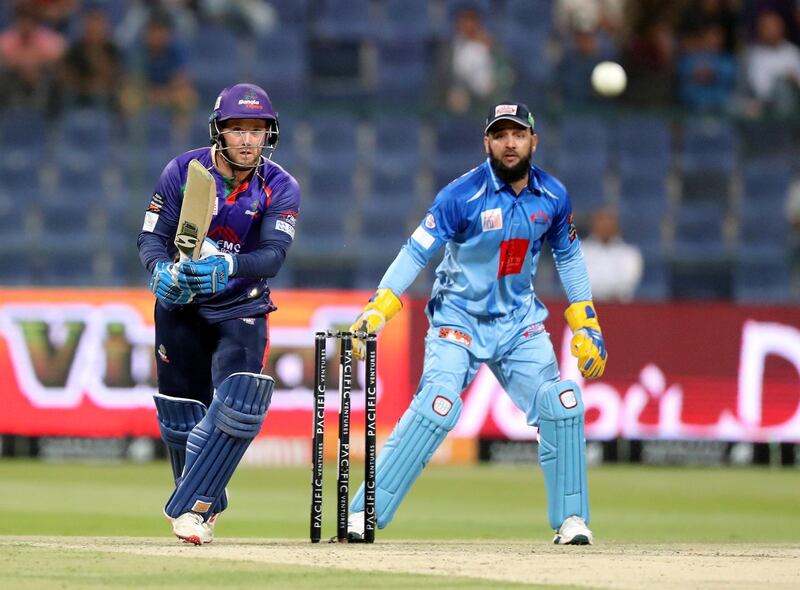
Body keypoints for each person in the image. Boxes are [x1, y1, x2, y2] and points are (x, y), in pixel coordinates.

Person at [345, 102, 607, 545]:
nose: (510, 143)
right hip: (457, 320)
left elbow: (568, 255)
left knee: (561, 404)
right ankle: (363, 514)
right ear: (487, 142)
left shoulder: (553, 196)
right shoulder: (459, 196)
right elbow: (416, 251)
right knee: (437, 406)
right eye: (501, 135)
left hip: (519, 323)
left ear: (532, 142)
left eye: (518, 135)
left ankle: (571, 521)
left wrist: (588, 323)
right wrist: (380, 306)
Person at [136, 82, 300, 545]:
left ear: (270, 133)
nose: (248, 139)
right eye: (237, 129)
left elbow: (272, 256)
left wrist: (229, 263)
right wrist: (159, 269)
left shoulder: (281, 186)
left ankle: (193, 509)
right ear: (219, 130)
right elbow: (150, 236)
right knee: (180, 416)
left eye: (257, 129)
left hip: (241, 305)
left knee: (240, 401)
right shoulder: (183, 171)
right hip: (181, 304)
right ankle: (200, 504)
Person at [580, 207, 644, 302]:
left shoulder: (630, 254)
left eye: (609, 220)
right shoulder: (579, 251)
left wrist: (607, 294)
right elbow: (579, 283)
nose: (605, 225)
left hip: (620, 308)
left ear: (616, 224)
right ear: (593, 223)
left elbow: (627, 284)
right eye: (601, 220)